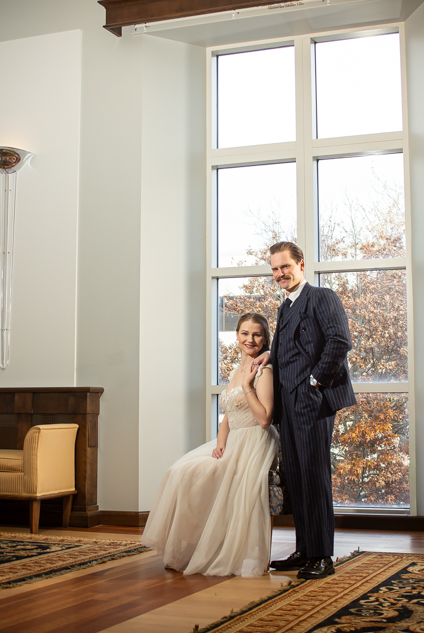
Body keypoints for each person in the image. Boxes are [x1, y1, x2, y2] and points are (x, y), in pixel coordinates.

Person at [141, 313, 279, 577]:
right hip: (232, 439)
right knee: (178, 472)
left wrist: (248, 386)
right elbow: (229, 414)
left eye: (257, 334)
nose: (250, 339)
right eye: (245, 333)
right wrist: (220, 444)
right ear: (236, 335)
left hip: (254, 441)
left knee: (202, 474)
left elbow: (264, 419)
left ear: (265, 339)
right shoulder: (236, 371)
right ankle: (190, 547)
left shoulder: (264, 372)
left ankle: (213, 549)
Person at [253, 241, 355, 580]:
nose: (280, 273)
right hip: (289, 403)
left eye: (285, 266)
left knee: (313, 476)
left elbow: (339, 341)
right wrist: (270, 355)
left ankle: (322, 556)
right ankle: (305, 551)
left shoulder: (322, 297)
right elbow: (290, 348)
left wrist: (315, 382)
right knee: (296, 478)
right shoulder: (285, 306)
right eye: (275, 269)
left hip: (313, 400)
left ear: (301, 265)